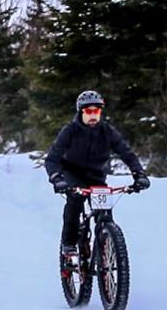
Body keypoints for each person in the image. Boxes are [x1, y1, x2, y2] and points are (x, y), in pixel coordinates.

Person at [45, 90, 151, 272]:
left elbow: (127, 153)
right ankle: (69, 245)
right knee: (75, 203)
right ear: (81, 113)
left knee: (105, 213)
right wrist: (57, 179)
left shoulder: (107, 131)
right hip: (73, 174)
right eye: (88, 112)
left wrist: (139, 174)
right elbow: (52, 159)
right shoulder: (69, 131)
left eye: (97, 111)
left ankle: (107, 247)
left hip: (96, 176)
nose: (93, 115)